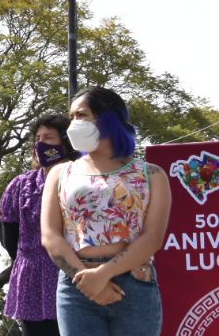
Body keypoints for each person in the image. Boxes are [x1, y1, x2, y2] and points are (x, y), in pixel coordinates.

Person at [41, 86, 170, 336]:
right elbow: (50, 236)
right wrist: (88, 281)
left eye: (82, 115)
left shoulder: (152, 174)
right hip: (76, 288)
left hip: (135, 284)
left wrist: (103, 275)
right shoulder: (59, 173)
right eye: (72, 117)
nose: (74, 123)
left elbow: (153, 238)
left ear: (109, 118)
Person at [0, 113, 80, 336]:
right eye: (38, 138)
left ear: (66, 142)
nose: (41, 143)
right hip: (31, 277)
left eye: (49, 138)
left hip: (74, 273)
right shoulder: (20, 185)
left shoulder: (84, 180)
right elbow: (9, 236)